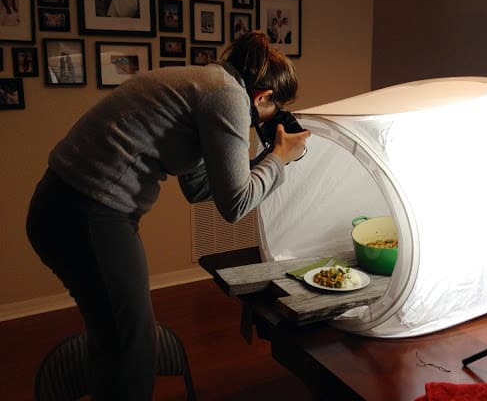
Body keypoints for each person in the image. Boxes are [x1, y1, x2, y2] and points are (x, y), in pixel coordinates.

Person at [26, 30, 310, 400]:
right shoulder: (227, 96)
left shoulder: (206, 81)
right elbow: (236, 205)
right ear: (263, 96)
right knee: (135, 347)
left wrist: (261, 160)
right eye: (274, 109)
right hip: (86, 213)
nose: (272, 117)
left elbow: (199, 189)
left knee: (115, 336)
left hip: (66, 205)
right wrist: (279, 159)